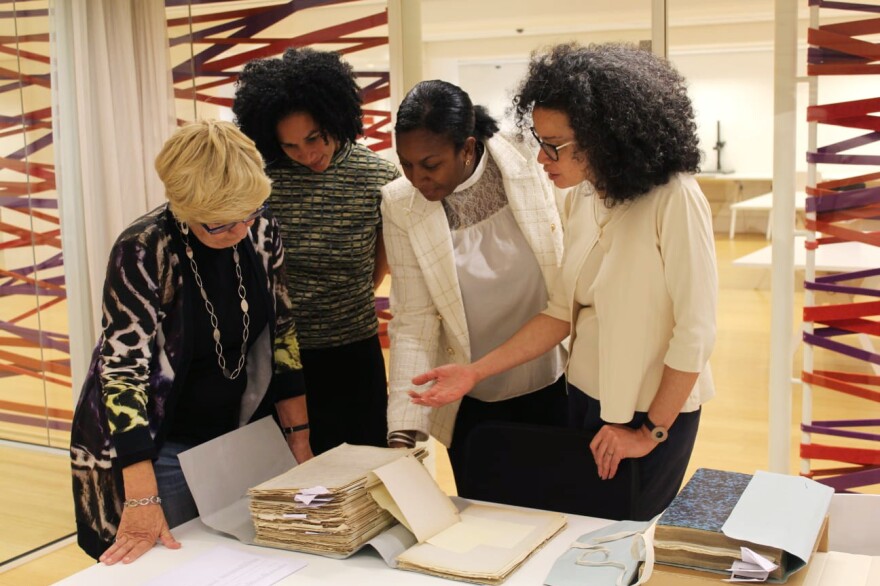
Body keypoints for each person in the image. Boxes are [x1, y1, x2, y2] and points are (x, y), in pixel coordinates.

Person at [409, 43, 717, 519]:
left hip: (653, 410)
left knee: (625, 533)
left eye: (554, 146)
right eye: (538, 140)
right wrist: (475, 371)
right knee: (581, 529)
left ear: (606, 137)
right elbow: (559, 313)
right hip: (584, 402)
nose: (540, 159)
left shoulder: (674, 198)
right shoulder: (584, 199)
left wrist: (650, 431)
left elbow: (695, 333)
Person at [69, 120, 313, 563]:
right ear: (184, 206)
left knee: (246, 561)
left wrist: (299, 442)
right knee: (175, 565)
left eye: (249, 214)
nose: (239, 231)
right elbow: (123, 368)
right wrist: (141, 495)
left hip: (235, 439)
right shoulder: (144, 248)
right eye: (219, 224)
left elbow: (283, 333)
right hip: (161, 447)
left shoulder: (260, 229)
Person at [382, 80, 568, 488]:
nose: (417, 178)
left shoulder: (531, 165)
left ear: (467, 148)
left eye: (430, 165)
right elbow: (414, 318)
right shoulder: (399, 203)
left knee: (560, 509)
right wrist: (404, 431)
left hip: (554, 380)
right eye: (406, 164)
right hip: (466, 394)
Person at [233, 48, 400, 455]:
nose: (307, 155)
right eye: (290, 146)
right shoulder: (261, 182)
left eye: (314, 138)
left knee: (365, 471)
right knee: (293, 484)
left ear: (336, 117)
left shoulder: (379, 178)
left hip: (354, 355)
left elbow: (376, 271)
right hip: (281, 357)